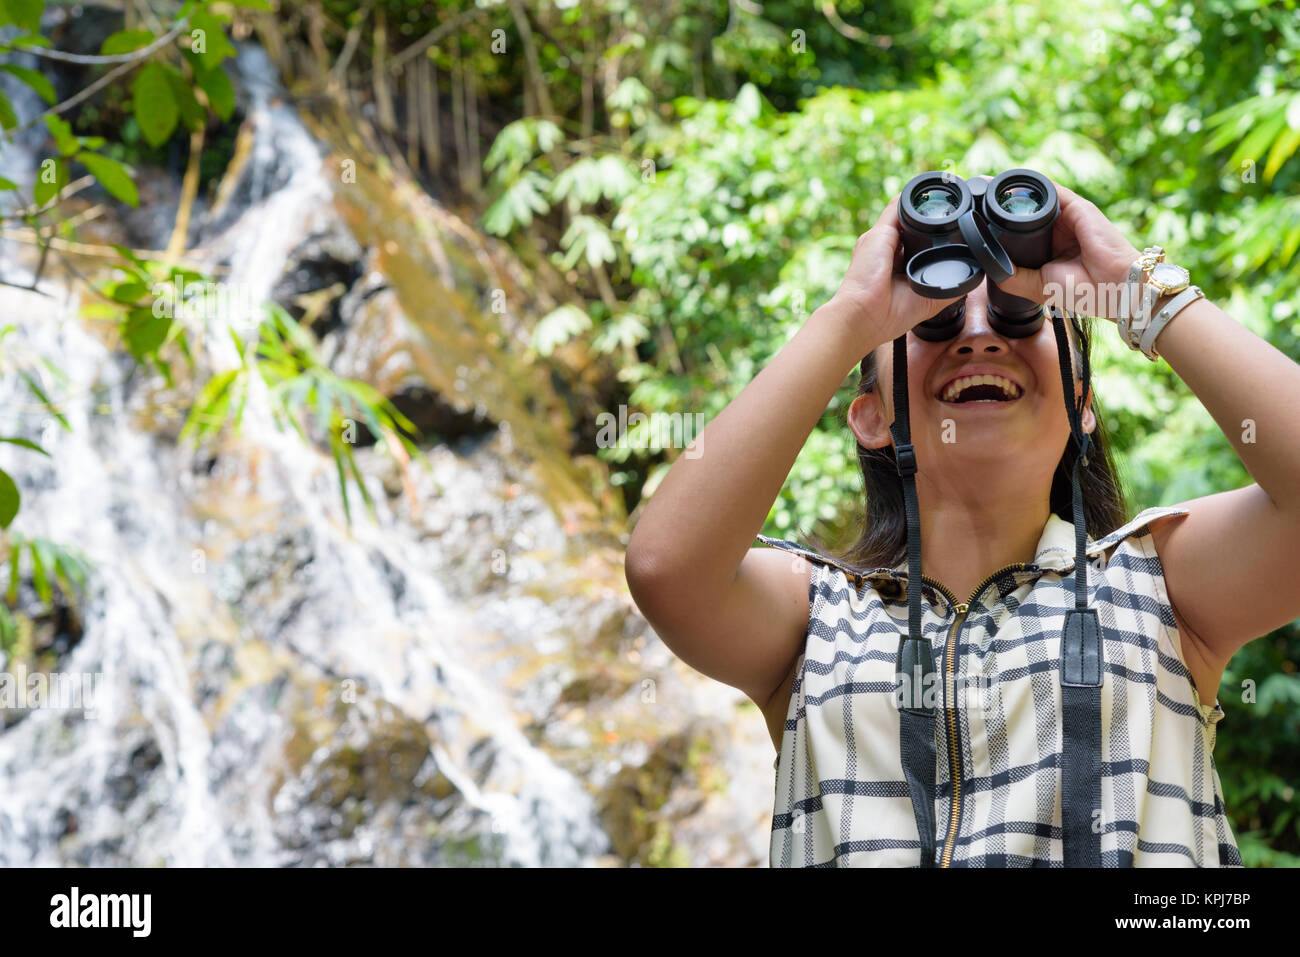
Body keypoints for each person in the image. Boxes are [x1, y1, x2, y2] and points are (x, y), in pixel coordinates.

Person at [624, 179, 1300, 867]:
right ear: (871, 415)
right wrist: (850, 317)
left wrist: (1134, 291)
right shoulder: (814, 614)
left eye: (1021, 316)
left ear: (1081, 404)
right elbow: (665, 569)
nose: (978, 334)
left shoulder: (1159, 584)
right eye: (933, 320)